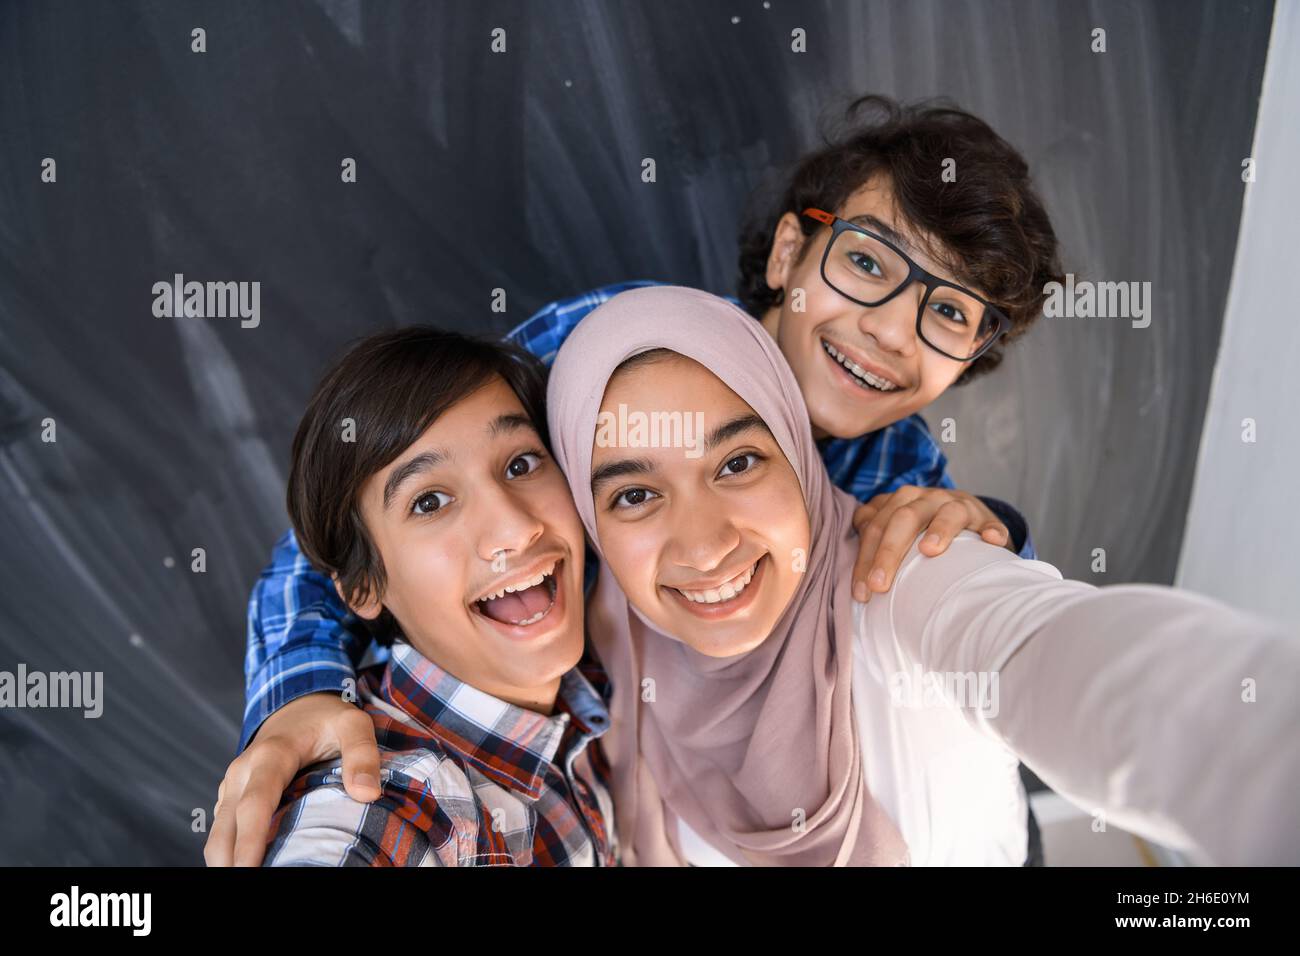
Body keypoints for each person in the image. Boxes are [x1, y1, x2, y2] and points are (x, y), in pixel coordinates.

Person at [207, 95, 1065, 865]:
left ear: (968, 363)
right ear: (791, 251)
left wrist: (988, 528)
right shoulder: (614, 348)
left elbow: (982, 603)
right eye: (870, 265)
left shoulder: (899, 465)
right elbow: (348, 522)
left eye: (949, 312)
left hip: (653, 784)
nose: (887, 330)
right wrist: (298, 697)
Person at [545, 285, 1300, 865]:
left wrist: (1265, 758)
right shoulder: (608, 638)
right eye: (635, 494)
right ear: (587, 513)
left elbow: (1049, 650)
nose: (704, 546)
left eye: (739, 462)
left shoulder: (902, 578)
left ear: (798, 455)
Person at [255, 328, 615, 865]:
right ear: (363, 587)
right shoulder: (386, 797)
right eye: (430, 502)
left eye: (521, 464)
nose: (514, 530)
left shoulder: (600, 689)